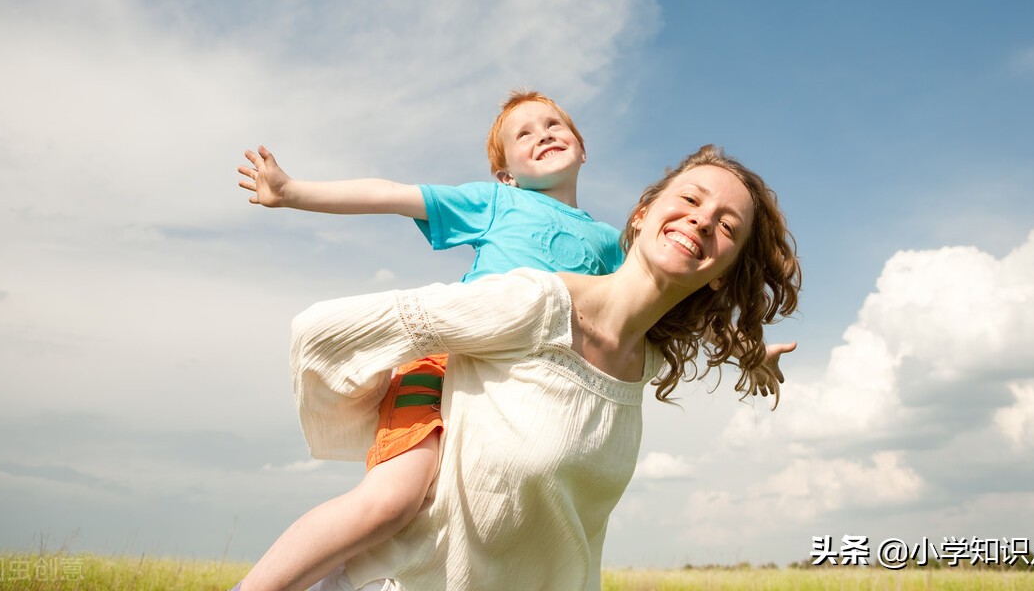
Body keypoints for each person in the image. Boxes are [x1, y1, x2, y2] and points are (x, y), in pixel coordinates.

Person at [283, 144, 801, 591]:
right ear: (642, 213)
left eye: (727, 225)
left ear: (721, 274)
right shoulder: (533, 300)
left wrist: (750, 354)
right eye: (690, 199)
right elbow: (327, 334)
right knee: (388, 502)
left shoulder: (647, 360)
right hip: (402, 574)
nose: (704, 219)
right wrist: (417, 415)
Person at [235, 91, 624, 591]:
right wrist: (291, 192)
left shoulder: (611, 244)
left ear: (582, 148)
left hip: (518, 397)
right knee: (391, 503)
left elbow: (662, 307)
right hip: (442, 367)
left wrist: (751, 353)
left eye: (554, 124)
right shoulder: (499, 202)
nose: (543, 133)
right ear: (507, 175)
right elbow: (391, 195)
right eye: (523, 133)